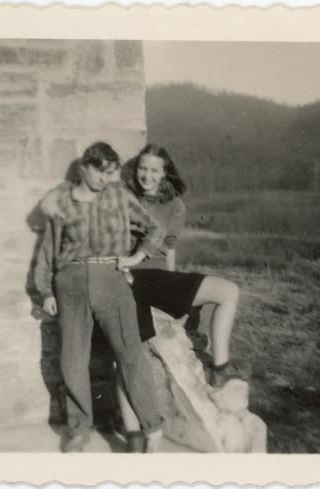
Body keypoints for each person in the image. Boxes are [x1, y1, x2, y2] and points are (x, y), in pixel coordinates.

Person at [114, 144, 249, 449]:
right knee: (127, 355)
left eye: (154, 170)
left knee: (229, 291)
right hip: (130, 277)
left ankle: (219, 369)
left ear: (165, 173)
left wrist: (178, 299)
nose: (147, 175)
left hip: (160, 279)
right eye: (142, 169)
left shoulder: (175, 206)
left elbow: (170, 249)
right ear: (136, 171)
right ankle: (134, 433)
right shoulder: (124, 198)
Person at [34, 142, 165, 453]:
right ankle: (78, 431)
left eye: (110, 173)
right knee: (73, 360)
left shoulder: (120, 197)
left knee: (130, 354)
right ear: (84, 169)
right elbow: (48, 249)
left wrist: (136, 258)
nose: (105, 179)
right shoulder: (62, 203)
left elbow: (154, 228)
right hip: (71, 283)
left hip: (111, 279)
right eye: (99, 171)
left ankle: (153, 429)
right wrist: (45, 290)